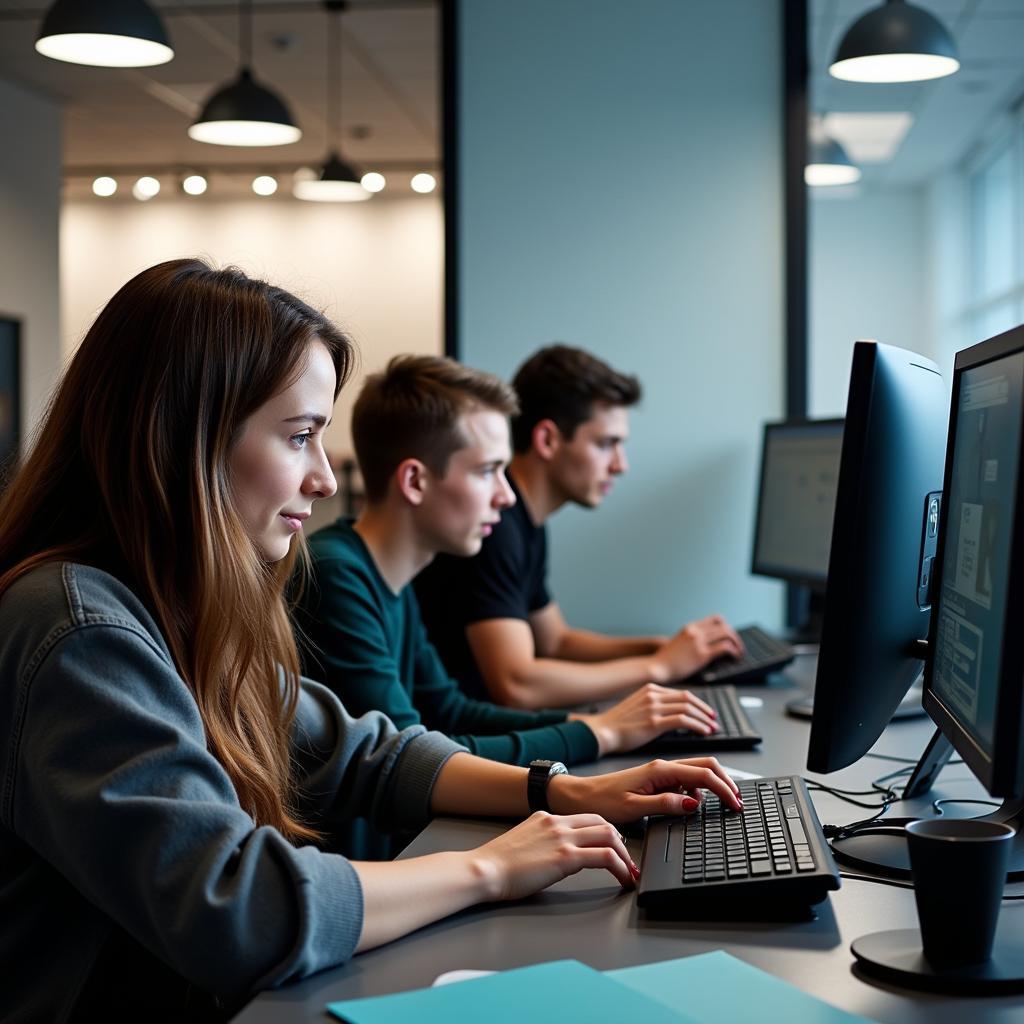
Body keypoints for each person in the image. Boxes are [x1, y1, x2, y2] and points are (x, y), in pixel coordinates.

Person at [0, 260, 742, 1021]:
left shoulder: (183, 608)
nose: (323, 478)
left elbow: (363, 751)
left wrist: (560, 789)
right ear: (184, 439)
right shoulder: (79, 628)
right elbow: (236, 906)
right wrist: (490, 868)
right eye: (299, 437)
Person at [296, 356, 721, 857]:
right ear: (414, 482)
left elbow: (449, 711)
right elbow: (413, 756)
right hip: (367, 868)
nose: (505, 496)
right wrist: (597, 733)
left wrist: (593, 727)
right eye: (487, 472)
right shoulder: (337, 574)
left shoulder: (390, 576)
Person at [415, 344, 745, 709]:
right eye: (607, 444)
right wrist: (659, 666)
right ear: (547, 440)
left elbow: (556, 641)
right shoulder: (496, 527)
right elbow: (516, 683)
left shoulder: (526, 523)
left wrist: (662, 646)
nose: (621, 465)